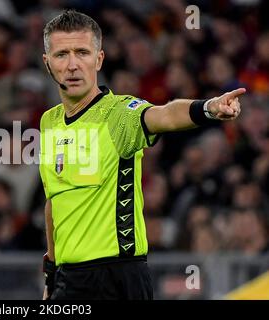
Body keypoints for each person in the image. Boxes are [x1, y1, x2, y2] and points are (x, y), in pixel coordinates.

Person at [39, 10, 245, 300]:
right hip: (68, 279)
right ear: (48, 64)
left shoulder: (119, 113)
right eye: (62, 55)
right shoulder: (49, 122)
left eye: (82, 52)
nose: (73, 65)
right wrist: (51, 271)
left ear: (98, 59)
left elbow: (164, 115)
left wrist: (208, 107)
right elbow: (54, 201)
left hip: (117, 279)